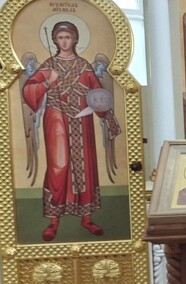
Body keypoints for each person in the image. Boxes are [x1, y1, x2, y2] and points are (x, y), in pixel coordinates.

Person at [21, 21, 122, 242]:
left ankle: (87, 218)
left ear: (75, 39)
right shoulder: (49, 65)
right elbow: (28, 90)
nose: (64, 41)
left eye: (68, 37)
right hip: (56, 118)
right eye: (60, 37)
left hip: (81, 120)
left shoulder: (84, 66)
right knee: (59, 165)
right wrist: (48, 82)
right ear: (55, 40)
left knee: (84, 164)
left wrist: (104, 112)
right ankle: (53, 221)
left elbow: (99, 95)